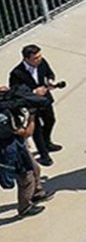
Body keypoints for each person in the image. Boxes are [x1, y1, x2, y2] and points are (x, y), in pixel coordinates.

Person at [0, 85, 53, 217]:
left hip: (13, 145)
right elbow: (26, 132)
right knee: (26, 176)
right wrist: (32, 116)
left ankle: (36, 193)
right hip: (9, 149)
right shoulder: (7, 118)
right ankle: (25, 207)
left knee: (34, 169)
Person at [9, 44, 61, 166]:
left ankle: (47, 142)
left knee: (50, 120)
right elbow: (16, 90)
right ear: (27, 59)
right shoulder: (17, 73)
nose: (39, 59)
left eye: (39, 56)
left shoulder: (42, 63)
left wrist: (50, 81)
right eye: (35, 58)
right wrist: (33, 92)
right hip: (31, 104)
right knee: (36, 128)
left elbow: (49, 73)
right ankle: (44, 155)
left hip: (45, 100)